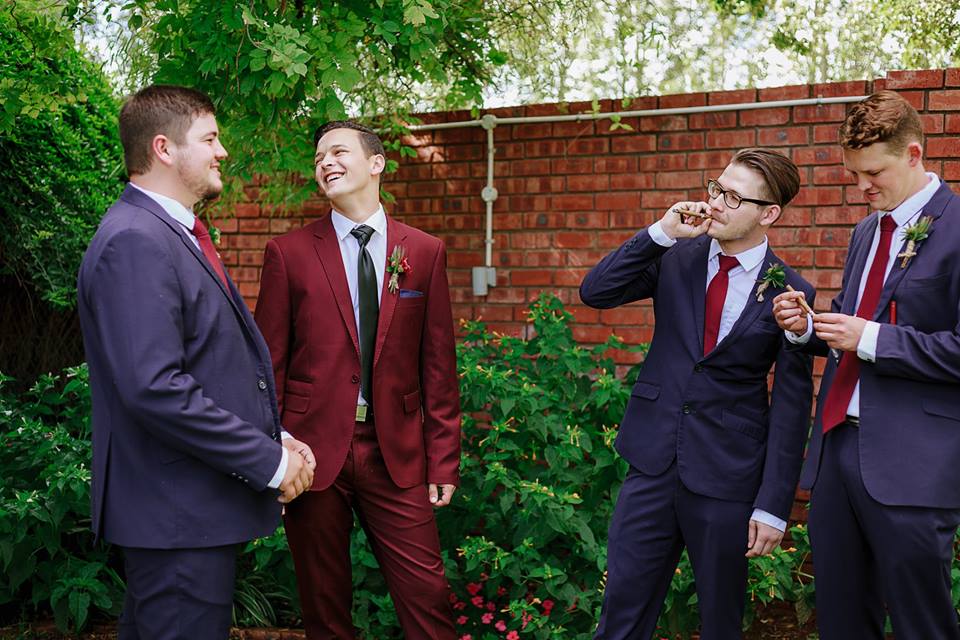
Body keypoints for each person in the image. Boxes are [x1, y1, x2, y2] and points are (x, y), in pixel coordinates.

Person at [77, 84, 315, 640]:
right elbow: (156, 388)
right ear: (164, 148)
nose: (222, 151)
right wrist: (269, 463)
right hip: (176, 515)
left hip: (183, 515)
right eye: (210, 139)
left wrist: (275, 437)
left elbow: (209, 365)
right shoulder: (136, 240)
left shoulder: (167, 233)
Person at [580, 148, 814, 639]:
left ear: (768, 213)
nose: (717, 203)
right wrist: (660, 233)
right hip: (652, 462)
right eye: (716, 188)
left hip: (727, 474)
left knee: (721, 620)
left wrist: (773, 504)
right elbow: (595, 291)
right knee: (620, 615)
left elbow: (792, 405)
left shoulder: (791, 292)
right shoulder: (675, 256)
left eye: (734, 197)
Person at [255, 120, 461, 638]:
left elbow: (438, 365)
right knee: (324, 607)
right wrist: (276, 446)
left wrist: (443, 457)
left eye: (338, 151)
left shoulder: (424, 252)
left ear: (376, 163)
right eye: (318, 158)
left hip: (396, 452)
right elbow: (267, 364)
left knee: (428, 597)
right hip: (311, 452)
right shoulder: (289, 254)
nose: (325, 162)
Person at [773, 90, 960, 640]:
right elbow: (851, 327)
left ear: (914, 154)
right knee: (841, 618)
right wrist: (808, 327)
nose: (862, 187)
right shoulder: (864, 233)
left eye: (874, 172)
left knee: (922, 624)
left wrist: (870, 337)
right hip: (837, 452)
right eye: (854, 174)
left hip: (913, 465)